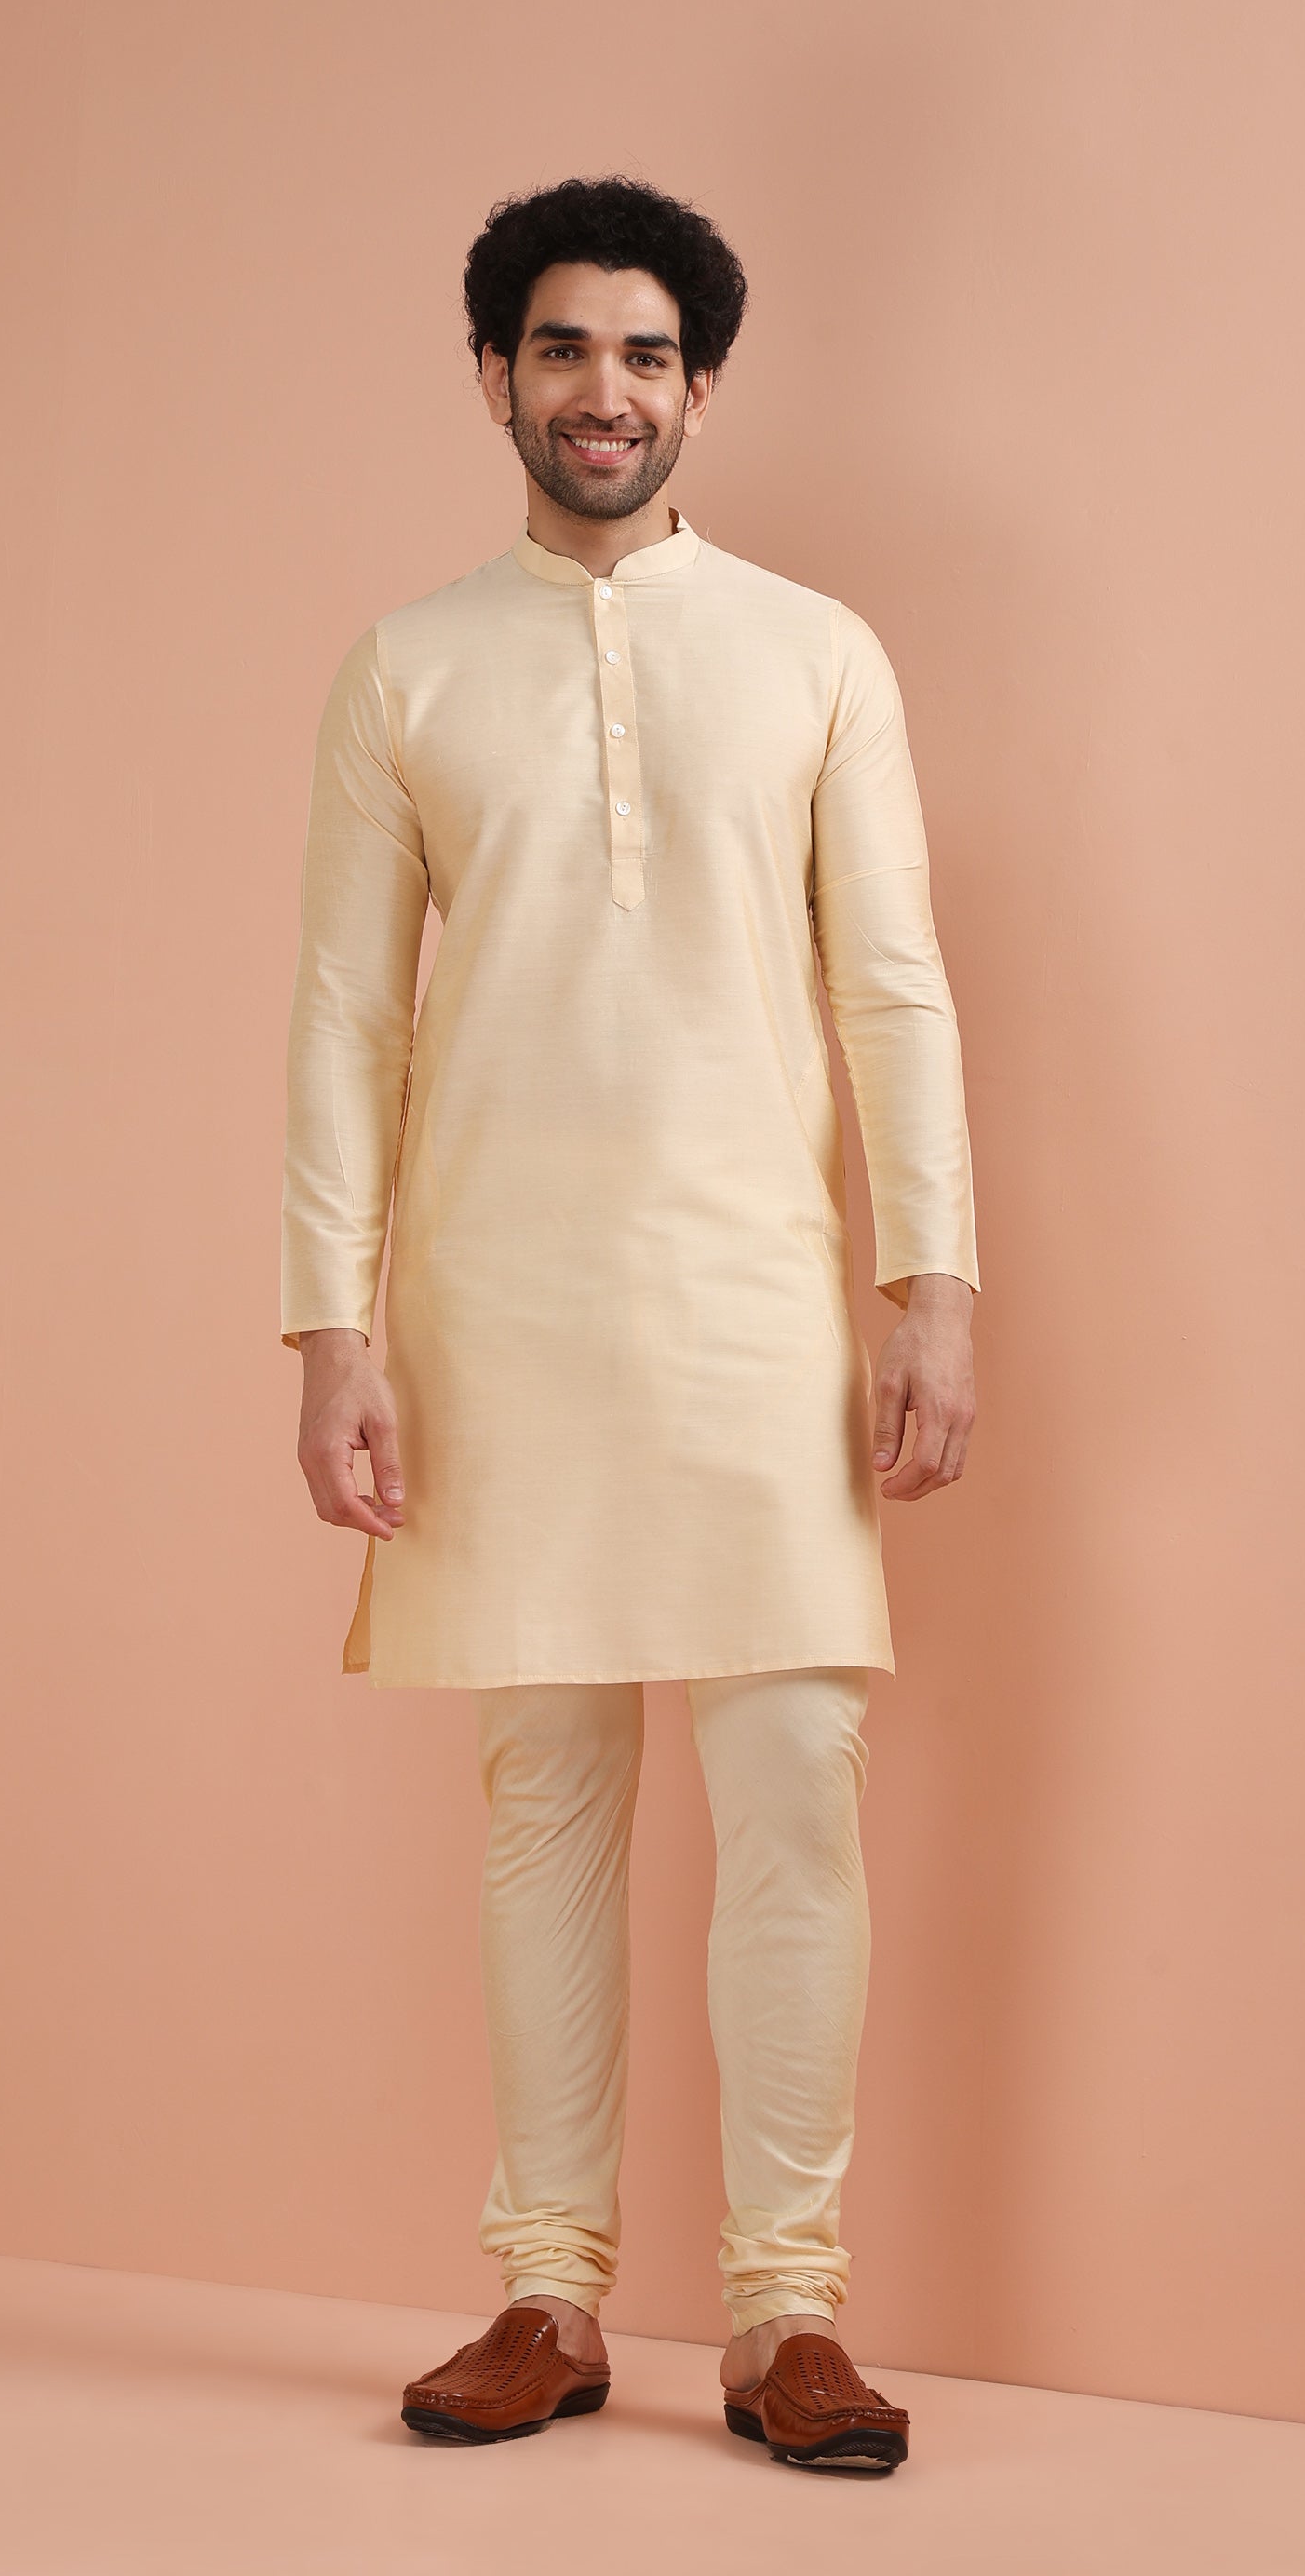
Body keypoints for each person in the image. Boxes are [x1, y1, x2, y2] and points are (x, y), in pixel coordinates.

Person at [281, 176, 979, 2474]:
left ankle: (789, 2316)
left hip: (755, 1296)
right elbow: (346, 1016)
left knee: (792, 1780)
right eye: (567, 349)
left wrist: (929, 1279)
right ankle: (548, 2291)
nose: (609, 392)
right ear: (496, 376)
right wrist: (330, 1326)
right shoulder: (407, 667)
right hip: (495, 1303)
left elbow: (892, 982)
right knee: (544, 1795)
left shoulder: (815, 652)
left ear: (699, 388)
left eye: (649, 355)